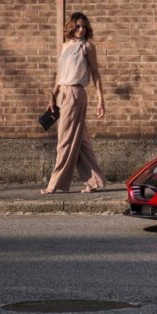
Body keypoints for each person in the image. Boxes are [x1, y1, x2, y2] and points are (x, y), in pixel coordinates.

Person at [42, 12, 107, 194]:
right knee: (81, 140)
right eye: (77, 26)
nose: (81, 29)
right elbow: (61, 75)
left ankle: (55, 185)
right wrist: (53, 96)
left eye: (84, 26)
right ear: (71, 26)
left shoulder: (87, 46)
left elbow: (95, 74)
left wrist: (101, 100)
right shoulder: (65, 46)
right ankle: (95, 181)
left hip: (76, 93)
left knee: (65, 140)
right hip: (63, 93)